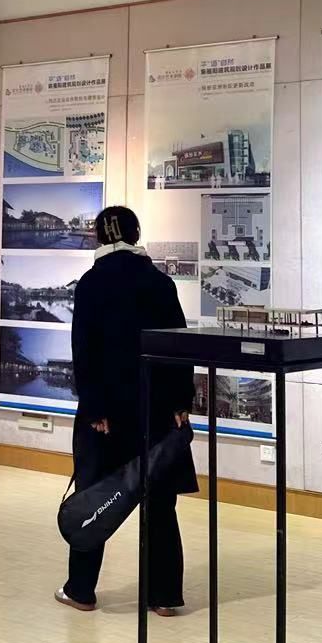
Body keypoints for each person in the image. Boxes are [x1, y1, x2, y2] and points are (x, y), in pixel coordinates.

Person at [57, 205, 195, 616]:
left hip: (108, 413)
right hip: (157, 408)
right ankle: (164, 597)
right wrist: (180, 402)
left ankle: (81, 590)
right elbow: (178, 347)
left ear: (99, 237)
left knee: (94, 498)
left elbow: (84, 352)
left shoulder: (91, 283)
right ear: (135, 235)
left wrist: (94, 406)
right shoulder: (160, 282)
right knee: (161, 504)